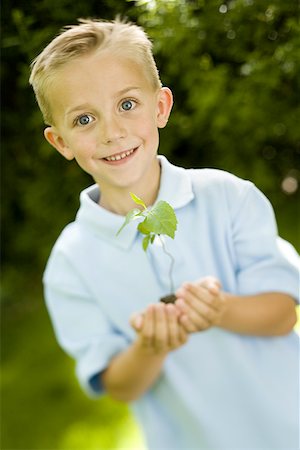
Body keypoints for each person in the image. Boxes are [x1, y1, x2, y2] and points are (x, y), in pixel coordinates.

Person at [29, 18, 300, 450]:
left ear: (160, 107)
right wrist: (149, 347)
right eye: (84, 119)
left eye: (127, 105)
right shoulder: (71, 261)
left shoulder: (227, 196)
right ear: (60, 142)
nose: (111, 132)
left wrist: (220, 310)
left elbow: (284, 312)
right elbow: (119, 385)